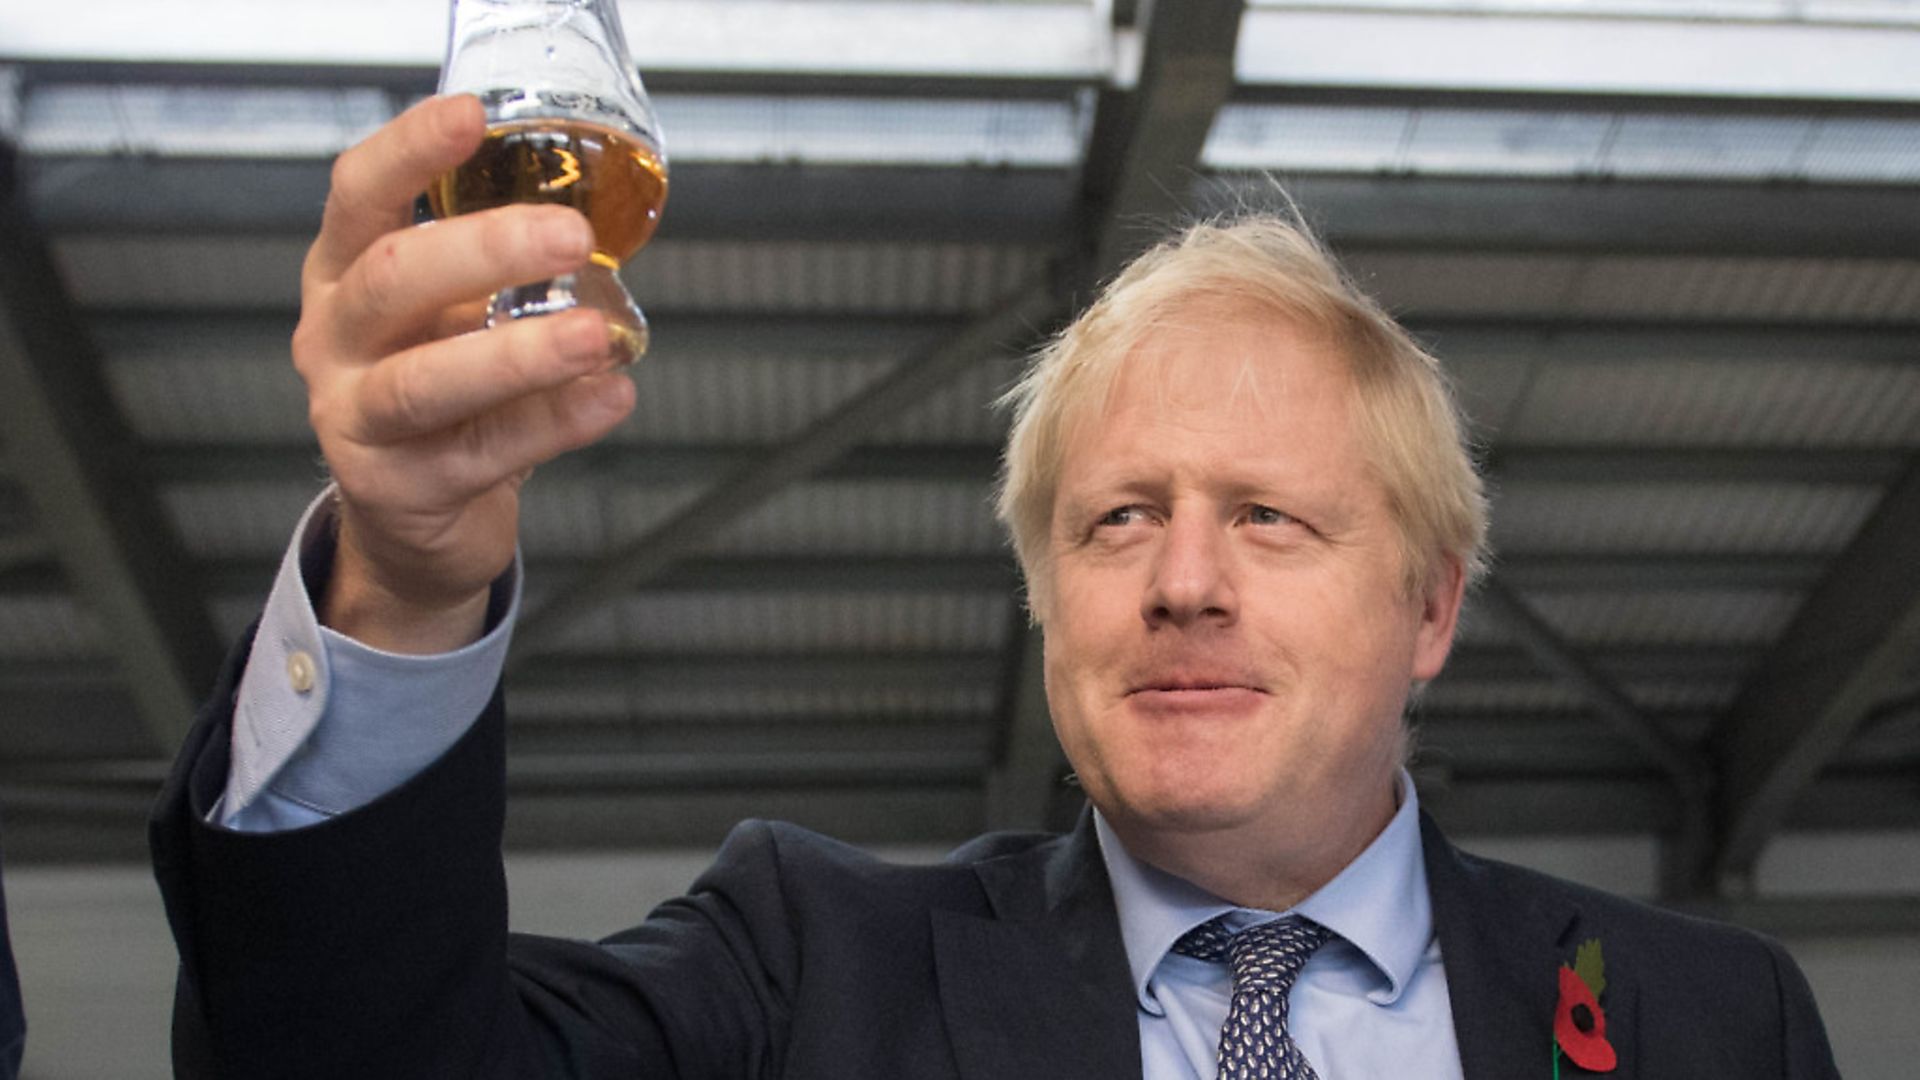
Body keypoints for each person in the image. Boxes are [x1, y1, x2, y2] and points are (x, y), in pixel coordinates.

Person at [150, 94, 1839, 1078]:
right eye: (1114, 520)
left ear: (1432, 610)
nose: (1181, 581)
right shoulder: (811, 972)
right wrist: (407, 577)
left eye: (1267, 518)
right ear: (1047, 594)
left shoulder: (1710, 1021)